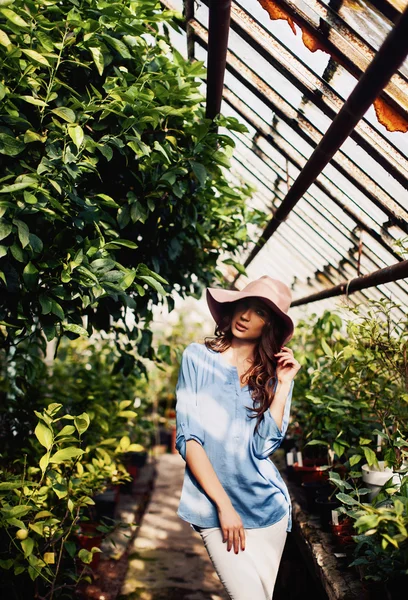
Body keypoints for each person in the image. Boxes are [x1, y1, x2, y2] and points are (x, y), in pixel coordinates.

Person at [174, 275, 301, 600]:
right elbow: (189, 440)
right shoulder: (197, 358)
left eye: (259, 312)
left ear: (269, 325)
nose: (245, 316)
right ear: (231, 309)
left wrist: (283, 386)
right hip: (216, 509)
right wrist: (225, 507)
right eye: (243, 305)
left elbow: (263, 447)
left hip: (267, 509)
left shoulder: (273, 376)